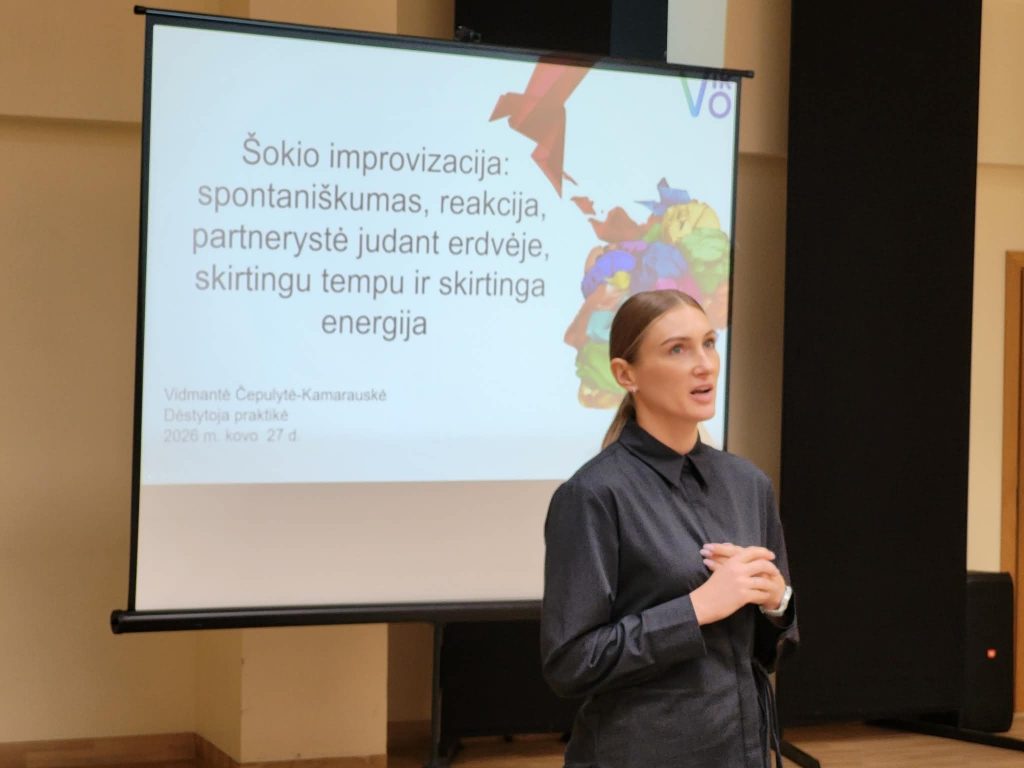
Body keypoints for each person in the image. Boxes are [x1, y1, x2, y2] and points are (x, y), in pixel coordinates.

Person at [540, 289, 797, 768]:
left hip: (740, 750)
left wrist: (777, 603)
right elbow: (571, 663)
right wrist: (697, 608)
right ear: (625, 374)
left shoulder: (748, 484)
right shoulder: (593, 495)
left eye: (709, 343)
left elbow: (767, 652)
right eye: (677, 349)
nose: (704, 364)